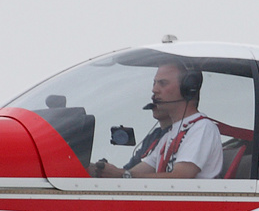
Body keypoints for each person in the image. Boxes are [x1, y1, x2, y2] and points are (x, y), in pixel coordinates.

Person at [91, 61, 223, 179]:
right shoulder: (169, 135)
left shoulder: (201, 128)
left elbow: (181, 177)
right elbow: (136, 172)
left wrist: (123, 175)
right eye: (154, 83)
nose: (154, 90)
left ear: (187, 89)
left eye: (162, 83)